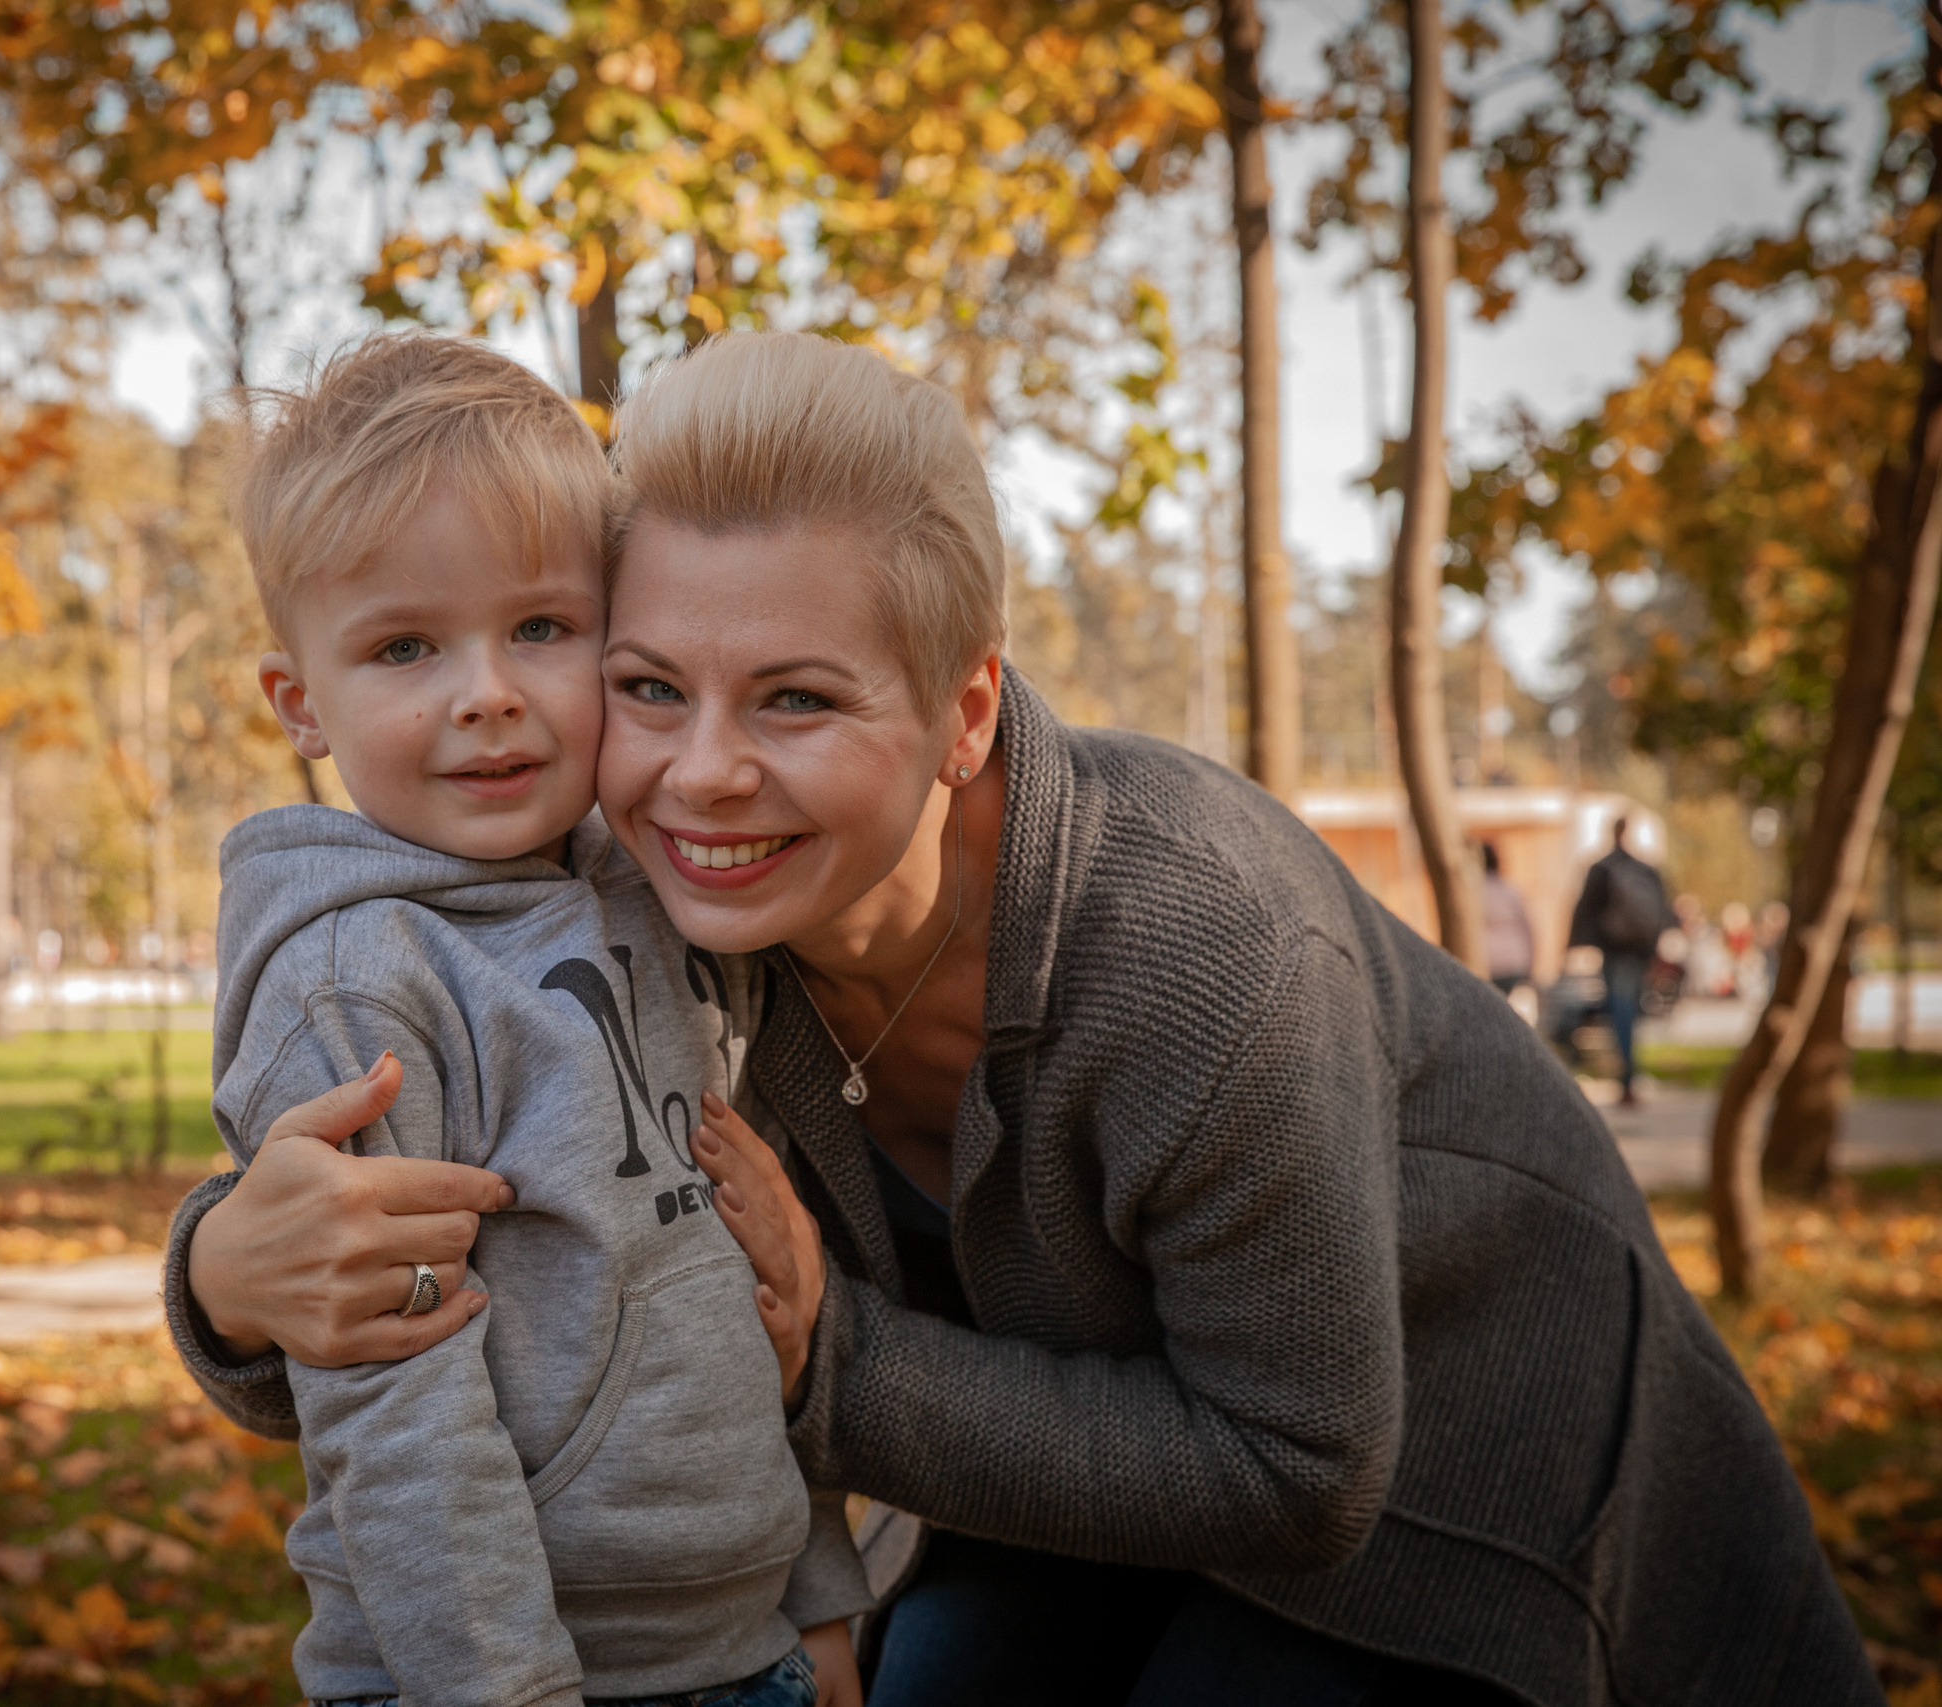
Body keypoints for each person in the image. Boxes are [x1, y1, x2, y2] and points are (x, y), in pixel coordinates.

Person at [166, 333, 1876, 1707]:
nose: (702, 773)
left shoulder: (1205, 947)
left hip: (1446, 1493)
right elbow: (484, 1216)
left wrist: (836, 1362)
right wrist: (229, 1280)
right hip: (1056, 1483)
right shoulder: (663, 897)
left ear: (962, 705)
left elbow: (1298, 1467)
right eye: (647, 683)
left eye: (800, 697)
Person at [203, 334, 864, 1707]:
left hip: (743, 1649)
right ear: (301, 704)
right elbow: (396, 1404)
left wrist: (817, 1602)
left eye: (542, 628)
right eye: (404, 646)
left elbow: (743, 1260)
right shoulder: (359, 978)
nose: (487, 690)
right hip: (488, 1669)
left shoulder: (657, 897)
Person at [1561, 817, 1673, 1107]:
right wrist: (1653, 951)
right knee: (1628, 1014)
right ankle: (1629, 1074)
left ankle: (1627, 1077)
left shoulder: (1603, 869)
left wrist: (1572, 947)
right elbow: (1662, 912)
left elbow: (1585, 910)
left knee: (1620, 1013)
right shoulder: (1645, 871)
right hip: (1638, 952)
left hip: (1615, 953)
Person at [1479, 842, 1535, 997]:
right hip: (1514, 962)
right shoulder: (1510, 890)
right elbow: (1527, 928)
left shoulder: (1474, 894)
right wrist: (1530, 962)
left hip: (1487, 962)